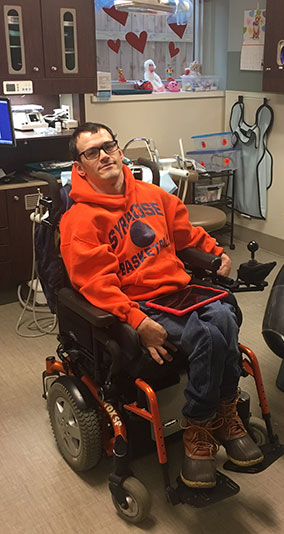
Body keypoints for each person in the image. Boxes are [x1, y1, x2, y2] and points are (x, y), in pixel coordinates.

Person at [60, 122, 263, 489]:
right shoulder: (80, 220)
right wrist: (137, 321)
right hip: (140, 303)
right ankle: (199, 428)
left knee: (225, 316)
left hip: (180, 290)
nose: (104, 155)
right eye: (92, 152)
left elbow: (187, 234)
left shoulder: (154, 196)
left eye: (108, 146)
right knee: (206, 338)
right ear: (80, 167)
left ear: (120, 151)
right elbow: (95, 283)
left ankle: (224, 412)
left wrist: (215, 253)